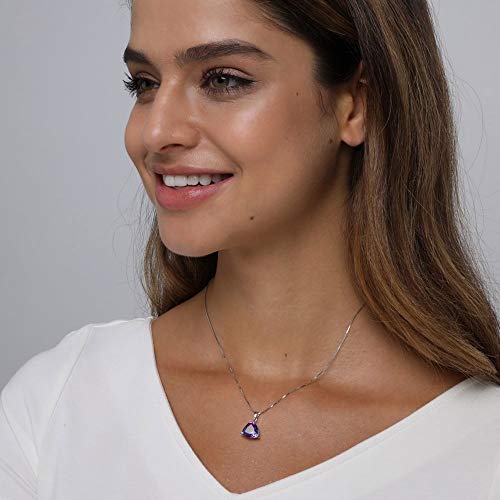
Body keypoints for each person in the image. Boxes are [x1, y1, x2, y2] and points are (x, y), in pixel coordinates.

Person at [1, 0, 499, 498]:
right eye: (145, 84)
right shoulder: (58, 402)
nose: (156, 132)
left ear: (357, 102)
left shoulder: (481, 447)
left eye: (223, 80)